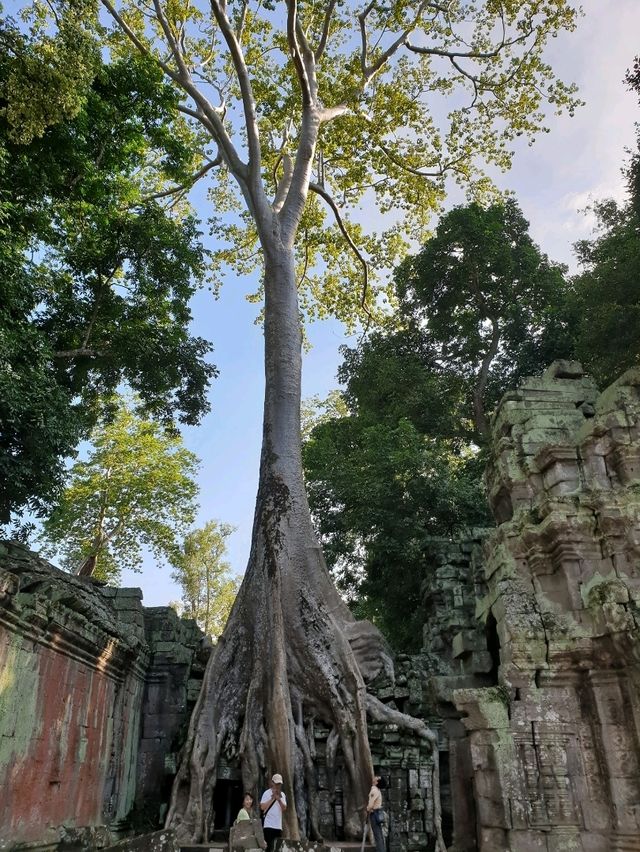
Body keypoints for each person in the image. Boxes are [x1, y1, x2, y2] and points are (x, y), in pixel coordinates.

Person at [260, 773, 287, 852]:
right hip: (268, 825)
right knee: (268, 847)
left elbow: (284, 808)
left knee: (276, 848)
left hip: (278, 826)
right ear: (272, 782)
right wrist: (272, 798)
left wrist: (278, 799)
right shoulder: (266, 793)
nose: (278, 785)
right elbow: (262, 807)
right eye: (276, 783)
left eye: (279, 784)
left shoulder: (282, 794)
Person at [366, 773, 385, 852]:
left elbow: (371, 804)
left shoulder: (374, 790)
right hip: (378, 813)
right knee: (379, 834)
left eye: (376, 777)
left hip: (374, 814)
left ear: (377, 782)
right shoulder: (377, 790)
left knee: (377, 835)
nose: (374, 777)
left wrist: (367, 809)